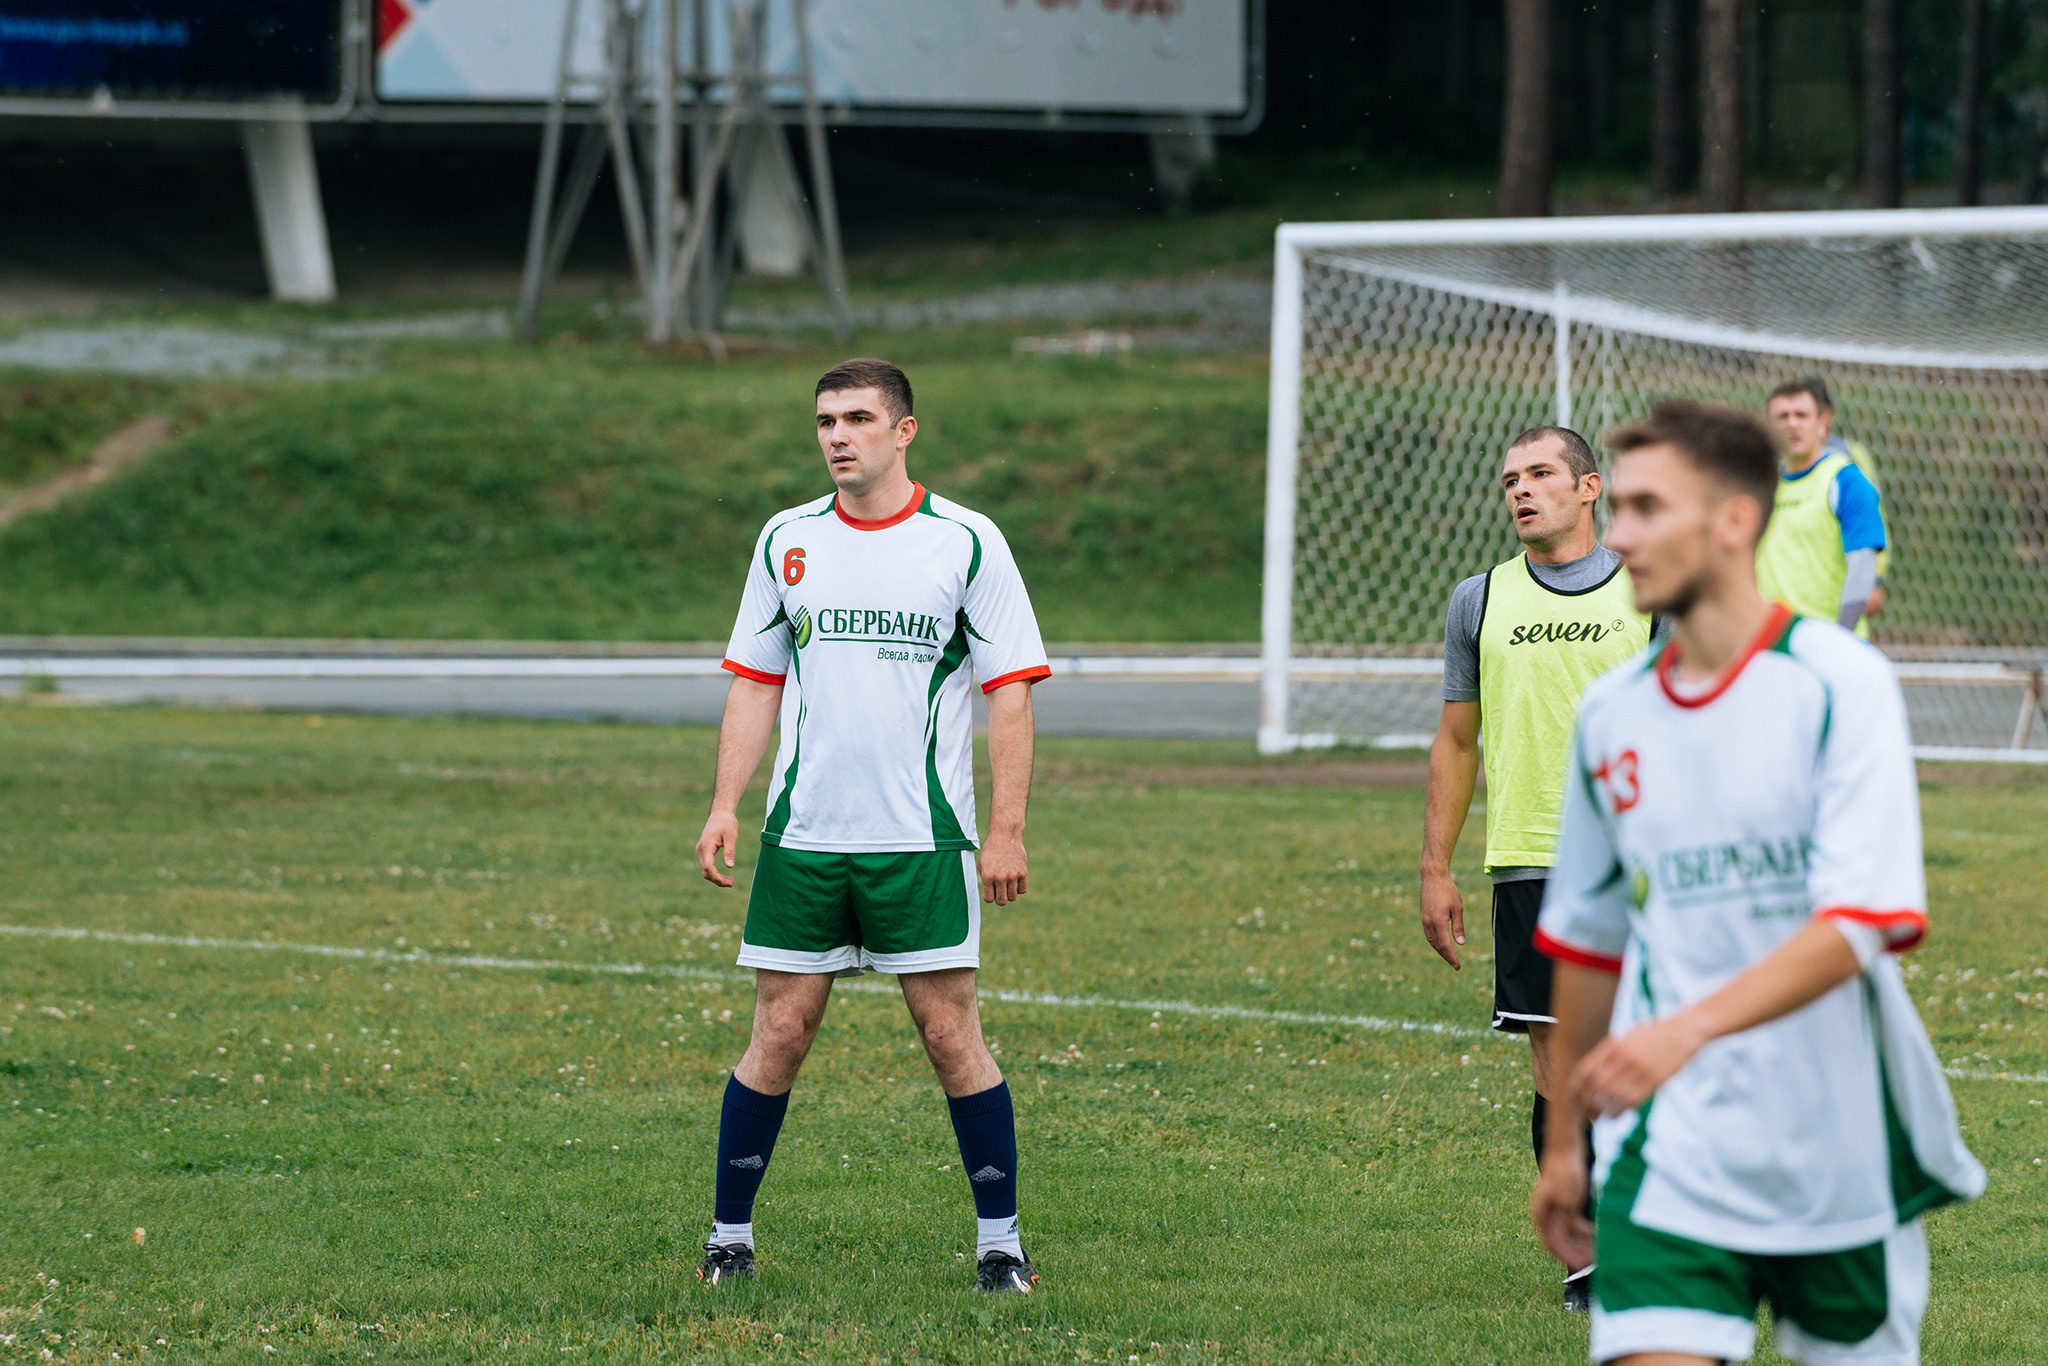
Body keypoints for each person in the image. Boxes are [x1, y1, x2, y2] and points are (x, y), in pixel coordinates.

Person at [1531, 400, 1983, 1366]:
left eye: (1650, 508)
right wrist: (1566, 1143)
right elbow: (1586, 939)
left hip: (1840, 1142)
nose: (1621, 535)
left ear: (1733, 521)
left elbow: (1859, 921)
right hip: (1669, 1147)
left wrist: (1684, 1030)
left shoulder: (1838, 682)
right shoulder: (1613, 717)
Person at [692, 358, 1051, 1294]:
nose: (837, 436)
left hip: (921, 844)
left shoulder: (966, 543)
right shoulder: (786, 539)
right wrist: (727, 803)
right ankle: (730, 1239)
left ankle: (1001, 1245)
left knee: (949, 1034)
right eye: (824, 421)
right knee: (779, 1031)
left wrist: (1005, 829)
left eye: (857, 418)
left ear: (904, 432)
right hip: (804, 839)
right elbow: (755, 682)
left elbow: (1010, 694)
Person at [1418, 425, 1655, 1313]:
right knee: (1559, 1071)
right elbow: (1457, 738)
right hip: (1527, 863)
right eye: (1510, 478)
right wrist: (1435, 867)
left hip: (1639, 867)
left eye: (1542, 474)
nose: (1521, 489)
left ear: (1590, 487)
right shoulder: (1478, 599)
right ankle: (1588, 1261)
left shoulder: (1648, 587)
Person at [1758, 377, 1889, 634]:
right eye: (1782, 417)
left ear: (1822, 423)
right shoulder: (1760, 486)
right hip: (1771, 647)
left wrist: (1841, 639)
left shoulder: (1846, 480)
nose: (1792, 423)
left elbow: (1863, 562)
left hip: (1828, 642)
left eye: (1801, 415)